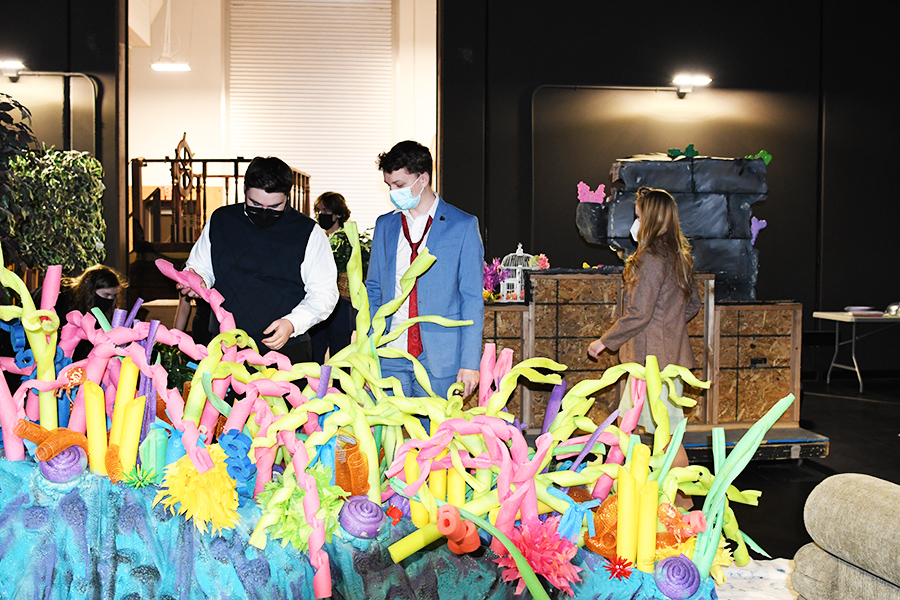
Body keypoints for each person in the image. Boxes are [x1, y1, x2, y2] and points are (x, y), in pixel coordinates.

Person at [587, 187, 700, 502]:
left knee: (666, 439)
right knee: (629, 429)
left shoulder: (650, 257)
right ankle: (623, 497)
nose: (634, 223)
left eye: (638, 216)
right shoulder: (678, 254)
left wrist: (604, 342)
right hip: (661, 361)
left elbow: (639, 313)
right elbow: (693, 305)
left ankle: (687, 510)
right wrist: (670, 327)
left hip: (653, 365)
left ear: (650, 217)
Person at [178, 156, 338, 363]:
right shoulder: (221, 220)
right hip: (226, 347)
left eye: (273, 207)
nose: (263, 212)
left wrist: (292, 323)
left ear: (286, 197)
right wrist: (198, 282)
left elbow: (324, 292)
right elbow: (200, 267)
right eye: (254, 204)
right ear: (245, 190)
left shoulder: (309, 232)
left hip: (286, 349)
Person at [366, 140, 484, 399]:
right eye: (389, 186)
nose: (393, 192)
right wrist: (367, 350)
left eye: (399, 185)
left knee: (435, 438)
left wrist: (470, 362)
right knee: (388, 436)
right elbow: (373, 290)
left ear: (423, 179)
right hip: (389, 353)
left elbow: (472, 299)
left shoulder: (462, 226)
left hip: (440, 358)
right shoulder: (385, 226)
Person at [36, 264, 127, 361]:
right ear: (90, 291)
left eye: (113, 296)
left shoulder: (99, 311)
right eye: (106, 295)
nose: (109, 300)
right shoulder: (62, 300)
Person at [309, 191, 356, 364]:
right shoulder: (318, 238)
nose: (321, 215)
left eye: (325, 211)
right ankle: (316, 391)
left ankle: (339, 391)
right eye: (318, 211)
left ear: (338, 214)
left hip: (341, 307)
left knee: (340, 359)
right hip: (319, 306)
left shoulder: (348, 241)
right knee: (315, 357)